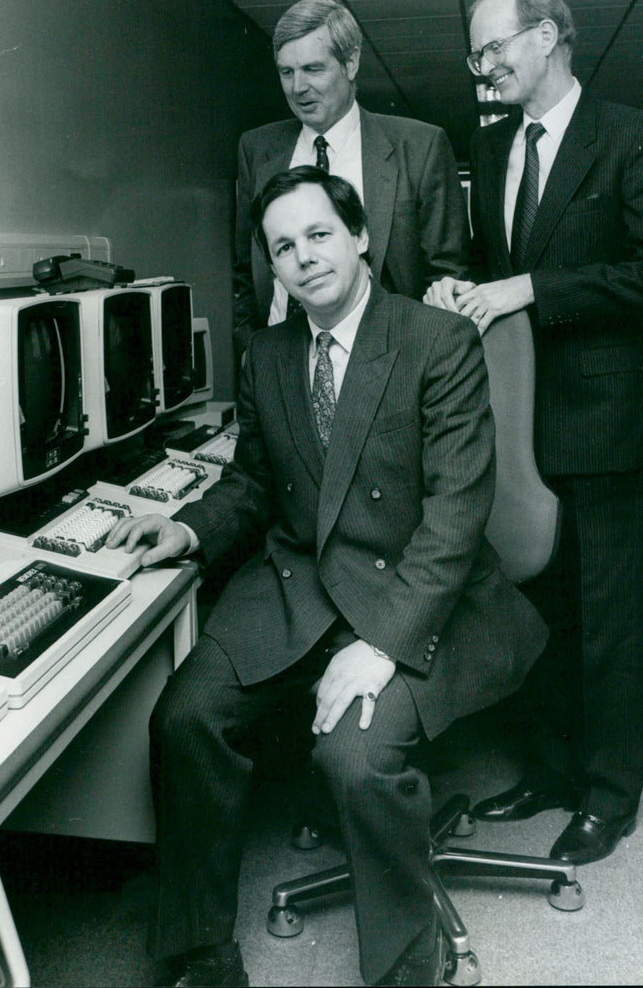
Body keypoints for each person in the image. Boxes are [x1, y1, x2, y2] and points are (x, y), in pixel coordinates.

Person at [107, 167, 547, 988]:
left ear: (360, 237)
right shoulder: (268, 353)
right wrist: (187, 525)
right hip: (300, 588)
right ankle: (200, 946)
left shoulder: (436, 341)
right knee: (185, 716)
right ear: (273, 269)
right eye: (283, 246)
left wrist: (382, 643)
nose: (304, 257)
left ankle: (407, 966)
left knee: (354, 759)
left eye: (317, 234)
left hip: (418, 593)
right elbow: (251, 483)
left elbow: (455, 517)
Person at [425, 0, 643, 866]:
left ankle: (610, 795)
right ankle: (548, 769)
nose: (484, 67)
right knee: (533, 606)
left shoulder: (632, 135)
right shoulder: (490, 143)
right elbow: (490, 270)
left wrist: (531, 288)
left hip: (602, 414)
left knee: (607, 610)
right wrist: (461, 290)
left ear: (546, 39)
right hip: (515, 419)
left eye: (492, 49)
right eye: (476, 54)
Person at [232, 0, 469, 361]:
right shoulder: (256, 149)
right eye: (286, 72)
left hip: (391, 363)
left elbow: (446, 274)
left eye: (313, 69)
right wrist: (252, 353)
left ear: (351, 62)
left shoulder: (419, 146)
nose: (298, 87)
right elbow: (245, 274)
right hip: (282, 363)